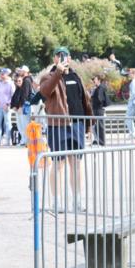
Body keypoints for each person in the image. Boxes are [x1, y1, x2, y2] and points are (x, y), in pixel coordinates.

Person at [37, 47, 93, 210]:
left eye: (66, 55)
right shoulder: (48, 76)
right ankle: (56, 201)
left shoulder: (76, 76)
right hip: (58, 125)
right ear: (55, 58)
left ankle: (77, 200)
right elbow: (45, 92)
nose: (63, 58)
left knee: (76, 163)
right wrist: (58, 73)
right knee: (58, 163)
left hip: (77, 124)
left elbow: (85, 100)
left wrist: (88, 125)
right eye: (59, 55)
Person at [0, 69, 14, 146]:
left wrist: (8, 104)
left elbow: (12, 95)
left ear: (7, 74)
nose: (1, 75)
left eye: (3, 74)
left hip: (7, 106)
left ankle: (8, 139)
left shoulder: (10, 83)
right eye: (1, 74)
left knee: (7, 123)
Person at [89, 73, 110, 146]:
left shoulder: (100, 88)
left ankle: (101, 141)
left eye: (94, 79)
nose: (93, 81)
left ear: (99, 80)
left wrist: (92, 97)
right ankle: (98, 140)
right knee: (96, 125)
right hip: (96, 109)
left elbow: (100, 98)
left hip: (98, 109)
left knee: (100, 125)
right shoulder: (98, 88)